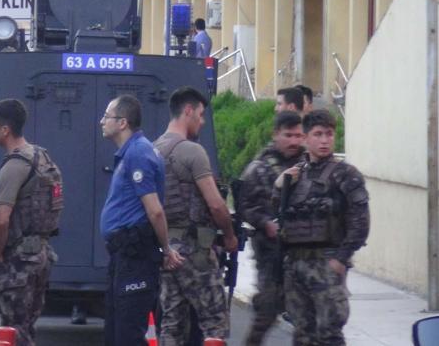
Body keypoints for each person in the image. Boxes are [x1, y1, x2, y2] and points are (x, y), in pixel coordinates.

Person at [275, 109, 370, 345]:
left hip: (327, 263)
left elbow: (360, 222)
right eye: (318, 134)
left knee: (329, 333)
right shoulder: (296, 174)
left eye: (329, 134)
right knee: (302, 333)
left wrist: (341, 259)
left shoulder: (346, 174)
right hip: (296, 265)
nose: (325, 140)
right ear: (306, 138)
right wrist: (279, 187)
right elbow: (281, 215)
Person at [153, 87, 237, 345]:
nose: (202, 122)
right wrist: (230, 236)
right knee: (215, 322)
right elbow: (216, 205)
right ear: (187, 111)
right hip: (194, 250)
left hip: (167, 249)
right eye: (200, 115)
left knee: (172, 322)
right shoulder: (192, 151)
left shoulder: (153, 150)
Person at [99, 94, 184, 346]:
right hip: (123, 254)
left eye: (106, 116)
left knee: (128, 334)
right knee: (115, 331)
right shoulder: (132, 152)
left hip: (135, 255)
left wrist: (166, 249)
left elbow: (155, 210)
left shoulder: (138, 153)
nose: (101, 121)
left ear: (122, 122)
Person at [0, 99, 63, 346]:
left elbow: (2, 219)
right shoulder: (41, 156)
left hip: (18, 259)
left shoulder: (15, 165)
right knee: (26, 327)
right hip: (41, 253)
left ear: (5, 129)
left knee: (12, 328)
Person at [238, 111, 305, 346]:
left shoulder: (308, 165)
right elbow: (244, 206)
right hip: (271, 254)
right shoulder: (259, 168)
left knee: (305, 317)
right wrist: (265, 223)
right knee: (266, 312)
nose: (294, 141)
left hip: (302, 254)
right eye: (288, 135)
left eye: (298, 135)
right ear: (276, 134)